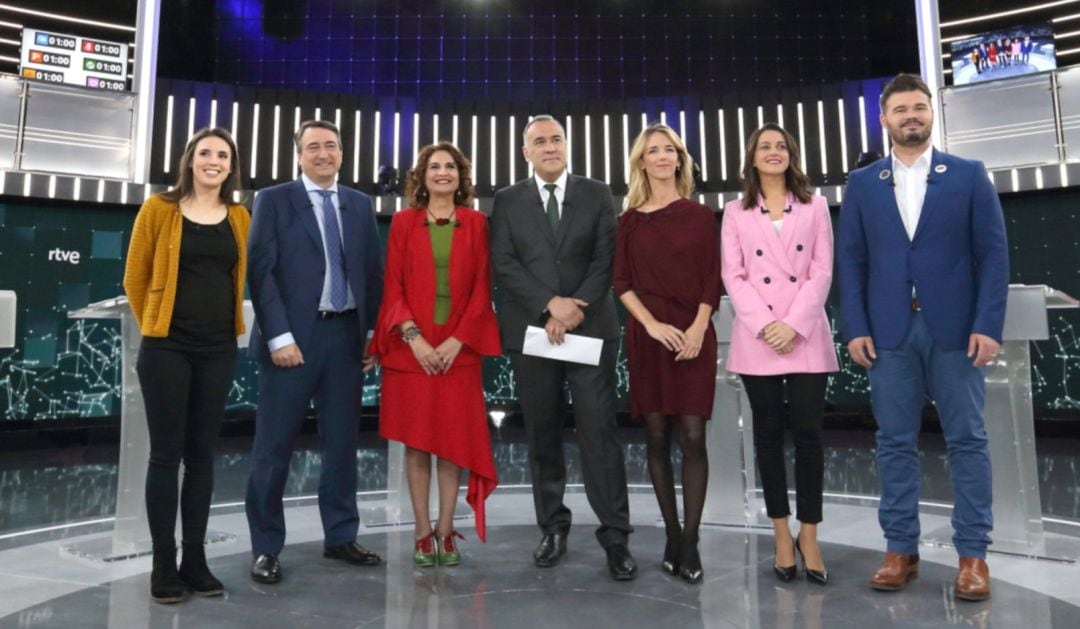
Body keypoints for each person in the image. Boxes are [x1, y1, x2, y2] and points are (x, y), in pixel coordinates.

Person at [837, 73, 1008, 601]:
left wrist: (988, 324)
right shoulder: (863, 184)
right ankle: (899, 550)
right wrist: (857, 327)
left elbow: (993, 255)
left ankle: (973, 556)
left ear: (931, 114)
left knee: (968, 441)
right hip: (887, 335)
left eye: (919, 107)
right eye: (901, 109)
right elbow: (853, 261)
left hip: (956, 331)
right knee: (893, 443)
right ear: (884, 119)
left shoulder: (968, 174)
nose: (911, 115)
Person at [490, 115, 636, 580]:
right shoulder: (508, 200)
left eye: (556, 139)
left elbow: (605, 257)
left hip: (590, 329)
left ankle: (615, 536)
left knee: (600, 435)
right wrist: (547, 306)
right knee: (543, 436)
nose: (550, 146)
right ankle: (552, 526)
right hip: (534, 335)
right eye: (540, 141)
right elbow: (504, 263)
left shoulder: (595, 193)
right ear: (525, 152)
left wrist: (575, 307)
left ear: (567, 146)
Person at [245, 120, 384, 584]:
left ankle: (341, 535)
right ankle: (265, 547)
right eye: (313, 147)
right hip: (292, 343)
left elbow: (372, 275)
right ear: (299, 155)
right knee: (273, 449)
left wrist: (371, 335)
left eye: (331, 146)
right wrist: (279, 337)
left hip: (346, 340)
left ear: (342, 153)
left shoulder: (360, 204)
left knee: (342, 446)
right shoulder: (274, 199)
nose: (323, 153)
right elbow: (260, 274)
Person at [123, 127, 250, 603]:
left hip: (218, 349)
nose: (213, 161)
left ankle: (194, 561)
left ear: (230, 165)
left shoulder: (240, 217)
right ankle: (163, 566)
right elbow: (135, 277)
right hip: (166, 350)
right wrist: (158, 325)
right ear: (189, 160)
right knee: (165, 455)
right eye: (205, 153)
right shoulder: (158, 209)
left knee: (202, 457)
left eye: (222, 155)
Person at [370, 142, 501, 566]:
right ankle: (422, 533)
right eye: (434, 167)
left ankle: (446, 531)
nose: (442, 173)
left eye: (450, 167)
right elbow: (394, 288)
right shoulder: (404, 223)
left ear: (461, 177)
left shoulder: (478, 223)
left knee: (452, 443)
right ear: (422, 177)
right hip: (413, 351)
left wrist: (456, 341)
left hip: (458, 352)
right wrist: (416, 339)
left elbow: (482, 292)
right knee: (418, 442)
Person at [721, 122, 839, 586]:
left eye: (782, 146)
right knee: (768, 436)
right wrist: (766, 325)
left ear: (792, 155)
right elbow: (734, 275)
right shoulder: (734, 211)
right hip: (758, 334)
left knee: (809, 434)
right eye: (765, 146)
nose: (774, 152)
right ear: (752, 158)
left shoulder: (815, 206)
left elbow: (822, 270)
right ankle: (780, 533)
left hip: (805, 332)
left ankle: (810, 534)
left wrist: (792, 325)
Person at [613, 123, 721, 584]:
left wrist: (697, 328)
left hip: (694, 333)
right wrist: (652, 326)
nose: (661, 157)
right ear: (641, 161)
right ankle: (672, 535)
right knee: (656, 435)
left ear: (679, 159)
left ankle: (691, 540)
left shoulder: (700, 215)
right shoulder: (629, 220)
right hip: (648, 336)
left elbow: (712, 279)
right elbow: (621, 284)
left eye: (668, 150)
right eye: (652, 151)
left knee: (693, 435)